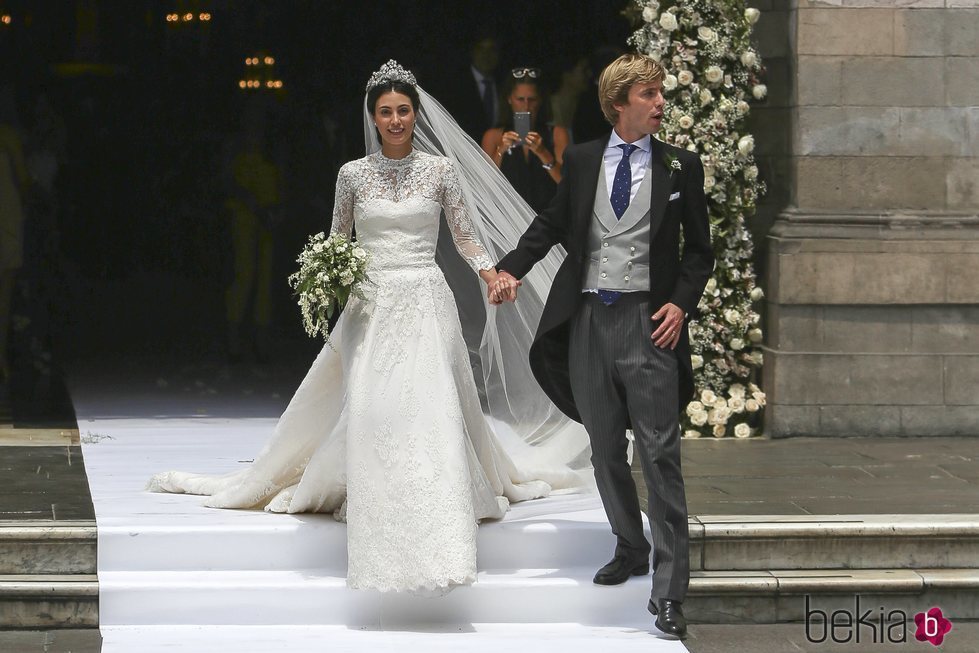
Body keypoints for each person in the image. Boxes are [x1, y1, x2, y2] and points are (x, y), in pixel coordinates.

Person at [148, 61, 587, 595]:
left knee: (430, 402)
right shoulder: (352, 175)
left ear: (416, 114)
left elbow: (466, 237)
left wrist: (492, 272)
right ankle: (373, 487)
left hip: (425, 297)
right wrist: (327, 277)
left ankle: (440, 501)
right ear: (374, 117)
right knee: (375, 403)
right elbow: (340, 239)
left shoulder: (441, 171)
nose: (396, 120)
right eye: (387, 112)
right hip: (373, 302)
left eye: (404, 110)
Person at [489, 54, 714, 638]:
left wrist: (681, 304)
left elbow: (699, 254)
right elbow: (550, 224)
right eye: (649, 94)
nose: (660, 103)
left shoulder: (681, 166)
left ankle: (669, 593)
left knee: (661, 454)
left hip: (649, 322)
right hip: (588, 320)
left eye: (661, 93)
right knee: (604, 447)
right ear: (620, 103)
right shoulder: (585, 159)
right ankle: (630, 545)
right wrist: (509, 269)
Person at [481, 69, 569, 213]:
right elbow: (485, 184)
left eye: (532, 99)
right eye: (520, 99)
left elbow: (566, 183)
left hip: (547, 218)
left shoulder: (556, 134)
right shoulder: (493, 136)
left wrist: (543, 153)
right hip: (509, 216)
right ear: (509, 99)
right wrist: (501, 151)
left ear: (540, 100)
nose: (526, 106)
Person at [0, 88, 29, 385]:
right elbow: (22, 179)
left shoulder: (8, 136)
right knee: (4, 296)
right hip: (6, 217)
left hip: (7, 216)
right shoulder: (8, 136)